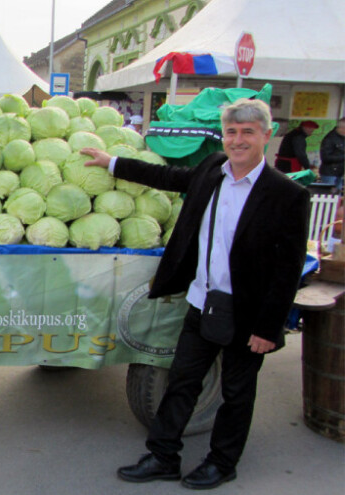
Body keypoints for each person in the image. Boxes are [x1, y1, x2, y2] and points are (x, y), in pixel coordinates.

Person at [81, 98, 309, 490]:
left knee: (236, 393)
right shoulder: (212, 169)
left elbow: (288, 269)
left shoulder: (287, 194)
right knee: (181, 382)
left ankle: (222, 463)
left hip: (247, 314)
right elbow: (166, 176)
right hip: (202, 302)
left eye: (248, 132)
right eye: (232, 132)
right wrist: (112, 162)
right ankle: (163, 456)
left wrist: (268, 328)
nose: (238, 140)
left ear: (267, 135)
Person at [319, 118, 345, 193]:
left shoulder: (342, 137)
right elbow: (325, 158)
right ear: (342, 128)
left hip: (339, 172)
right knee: (329, 195)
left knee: (338, 195)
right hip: (329, 173)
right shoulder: (329, 139)